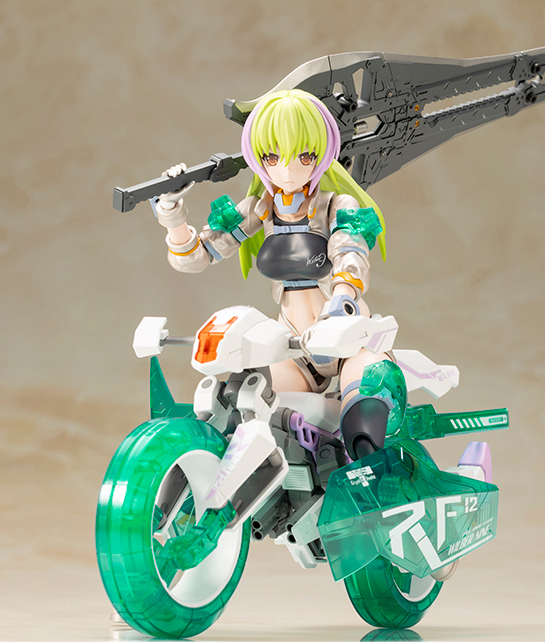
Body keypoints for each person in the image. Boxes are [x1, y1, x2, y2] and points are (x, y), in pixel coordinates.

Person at [154, 89, 398, 460]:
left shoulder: (335, 204)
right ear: (258, 157)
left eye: (304, 156)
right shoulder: (260, 209)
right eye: (272, 157)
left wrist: (342, 298)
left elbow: (350, 251)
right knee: (249, 413)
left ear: (323, 153)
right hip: (296, 347)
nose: (287, 170)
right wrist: (172, 213)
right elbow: (198, 254)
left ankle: (375, 478)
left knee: (363, 424)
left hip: (347, 336)